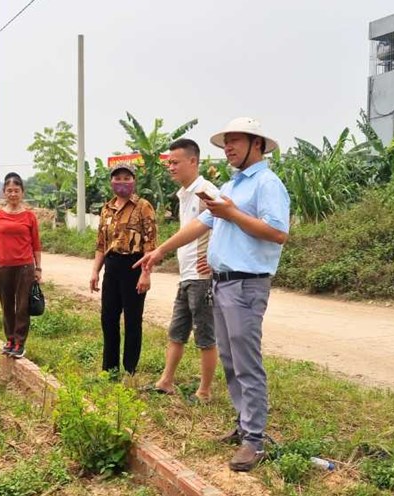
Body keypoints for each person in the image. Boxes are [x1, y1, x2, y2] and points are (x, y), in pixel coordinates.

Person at [135, 118, 290, 472]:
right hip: (221, 283)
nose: (228, 147)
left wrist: (232, 213)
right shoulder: (231, 185)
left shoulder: (267, 183)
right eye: (225, 142)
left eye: (235, 141)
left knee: (247, 361)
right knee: (231, 361)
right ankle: (244, 425)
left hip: (246, 283)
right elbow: (200, 224)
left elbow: (278, 233)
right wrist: (159, 252)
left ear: (257, 144)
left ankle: (255, 440)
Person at [148, 138, 220, 403]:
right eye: (169, 163)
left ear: (193, 161)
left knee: (205, 336)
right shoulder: (185, 193)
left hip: (203, 279)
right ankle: (166, 381)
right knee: (176, 332)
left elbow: (227, 225)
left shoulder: (206, 191)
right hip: (187, 275)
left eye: (175, 162)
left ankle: (204, 391)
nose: (171, 167)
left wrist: (215, 260)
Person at [90, 163, 157, 377]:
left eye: (126, 178)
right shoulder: (106, 209)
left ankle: (130, 370)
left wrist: (145, 274)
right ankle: (109, 370)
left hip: (134, 266)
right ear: (111, 181)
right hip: (111, 266)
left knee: (132, 320)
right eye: (117, 178)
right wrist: (95, 271)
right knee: (108, 318)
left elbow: (150, 244)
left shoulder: (143, 206)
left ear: (134, 181)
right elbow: (101, 244)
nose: (122, 182)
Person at [0, 172, 42, 359]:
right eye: (9, 190)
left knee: (22, 306)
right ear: (4, 192)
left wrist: (38, 268)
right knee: (6, 305)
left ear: (22, 192)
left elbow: (36, 244)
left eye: (16, 190)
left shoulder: (29, 216)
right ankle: (10, 340)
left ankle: (20, 343)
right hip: (3, 267)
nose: (13, 194)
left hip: (25, 267)